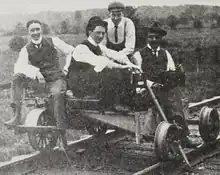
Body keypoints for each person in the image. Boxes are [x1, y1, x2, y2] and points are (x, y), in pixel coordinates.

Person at [4, 19, 75, 149]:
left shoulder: (53, 41)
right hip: (40, 81)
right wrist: (35, 71)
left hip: (55, 78)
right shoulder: (26, 49)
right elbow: (19, 67)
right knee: (16, 77)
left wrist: (66, 68)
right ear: (28, 32)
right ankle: (17, 115)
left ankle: (61, 135)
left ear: (41, 29)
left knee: (57, 95)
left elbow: (71, 51)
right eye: (32, 30)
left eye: (37, 29)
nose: (35, 32)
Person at [132, 21, 198, 148]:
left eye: (157, 37)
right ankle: (175, 133)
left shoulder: (165, 54)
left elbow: (171, 71)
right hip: (146, 90)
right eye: (151, 37)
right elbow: (138, 76)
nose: (154, 40)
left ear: (160, 39)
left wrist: (172, 78)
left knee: (174, 96)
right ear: (147, 38)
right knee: (171, 101)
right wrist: (152, 84)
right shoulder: (138, 55)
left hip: (163, 88)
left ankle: (180, 135)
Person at [67, 16, 140, 109]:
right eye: (98, 33)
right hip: (79, 84)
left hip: (90, 79)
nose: (101, 36)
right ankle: (113, 105)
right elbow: (102, 62)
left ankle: (126, 104)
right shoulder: (82, 48)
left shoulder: (99, 47)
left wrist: (130, 64)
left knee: (127, 72)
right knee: (111, 72)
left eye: (103, 33)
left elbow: (116, 54)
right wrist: (122, 67)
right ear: (90, 32)